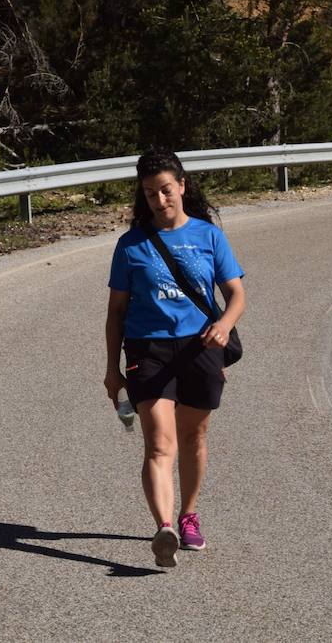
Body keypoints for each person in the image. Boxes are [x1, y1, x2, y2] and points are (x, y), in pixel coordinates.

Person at [104, 149, 246, 568]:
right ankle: (164, 526)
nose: (160, 200)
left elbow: (236, 294)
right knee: (159, 444)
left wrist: (224, 325)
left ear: (182, 186)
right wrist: (112, 369)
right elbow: (115, 313)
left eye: (166, 190)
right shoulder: (130, 245)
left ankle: (188, 515)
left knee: (194, 438)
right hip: (147, 349)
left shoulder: (208, 236)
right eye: (150, 194)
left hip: (201, 345)